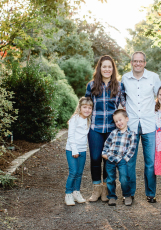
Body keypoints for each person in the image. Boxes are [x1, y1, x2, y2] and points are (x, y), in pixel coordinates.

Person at [121, 51, 161, 203]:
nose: (137, 63)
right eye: (135, 61)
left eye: (140, 61)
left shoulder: (153, 77)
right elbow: (122, 99)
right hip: (131, 125)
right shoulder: (125, 78)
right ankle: (129, 193)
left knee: (150, 162)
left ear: (145, 63)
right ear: (131, 62)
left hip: (149, 124)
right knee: (129, 160)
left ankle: (150, 193)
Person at [85, 55, 126, 202]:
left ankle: (106, 190)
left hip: (111, 130)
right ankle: (96, 189)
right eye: (104, 66)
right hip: (95, 128)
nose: (107, 69)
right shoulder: (91, 85)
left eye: (110, 66)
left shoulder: (119, 86)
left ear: (113, 69)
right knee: (95, 158)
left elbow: (125, 105)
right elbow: (86, 105)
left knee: (108, 160)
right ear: (100, 68)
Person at [102, 109, 137, 206]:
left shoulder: (132, 134)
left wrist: (124, 159)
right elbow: (107, 144)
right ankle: (112, 196)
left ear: (127, 119)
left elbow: (132, 149)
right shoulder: (113, 133)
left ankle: (127, 195)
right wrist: (104, 153)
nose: (118, 123)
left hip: (122, 160)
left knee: (124, 179)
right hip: (110, 159)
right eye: (116, 121)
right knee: (110, 179)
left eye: (120, 120)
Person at [65, 97, 93, 206]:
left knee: (80, 172)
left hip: (82, 150)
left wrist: (84, 149)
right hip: (72, 149)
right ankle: (68, 194)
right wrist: (74, 150)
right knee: (73, 172)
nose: (87, 110)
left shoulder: (88, 120)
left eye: (89, 108)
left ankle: (76, 192)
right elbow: (71, 136)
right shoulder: (75, 119)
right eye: (84, 107)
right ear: (80, 107)